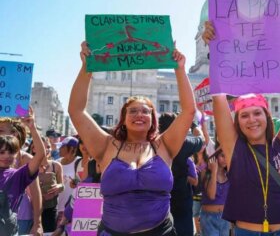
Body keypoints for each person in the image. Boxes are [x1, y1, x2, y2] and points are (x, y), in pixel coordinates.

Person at [68, 41, 196, 235]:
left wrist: (179, 69)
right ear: (123, 119)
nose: (139, 115)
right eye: (133, 111)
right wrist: (87, 67)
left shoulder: (164, 145)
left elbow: (188, 111)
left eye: (145, 111)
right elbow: (76, 111)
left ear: (153, 119)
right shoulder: (106, 145)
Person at [203, 18, 280, 235]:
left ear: (267, 116)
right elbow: (218, 99)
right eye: (244, 115)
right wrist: (215, 51)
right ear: (237, 122)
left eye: (257, 113)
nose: (251, 119)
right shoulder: (235, 150)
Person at [0, 108, 46, 236]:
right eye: (2, 152)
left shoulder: (17, 175)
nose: (6, 156)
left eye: (11, 152)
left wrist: (32, 128)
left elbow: (40, 155)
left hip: (13, 227)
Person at [158, 113, 204, 236]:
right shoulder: (183, 143)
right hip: (181, 194)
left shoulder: (152, 143)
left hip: (159, 194)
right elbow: (201, 139)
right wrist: (192, 124)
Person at [27, 137, 64, 233]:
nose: (46, 149)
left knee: (49, 233)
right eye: (43, 147)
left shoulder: (56, 165)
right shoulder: (28, 165)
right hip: (31, 209)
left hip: (50, 209)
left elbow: (62, 185)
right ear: (34, 149)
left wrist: (58, 187)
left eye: (48, 146)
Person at [200, 149, 230, 236]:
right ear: (215, 158)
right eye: (222, 156)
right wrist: (214, 172)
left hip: (225, 218)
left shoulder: (228, 173)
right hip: (209, 218)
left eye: (227, 156)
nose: (225, 159)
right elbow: (212, 195)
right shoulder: (206, 172)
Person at [55, 136, 81, 225]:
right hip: (57, 208)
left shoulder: (80, 162)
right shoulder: (57, 162)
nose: (59, 148)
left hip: (72, 209)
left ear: (72, 149)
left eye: (62, 146)